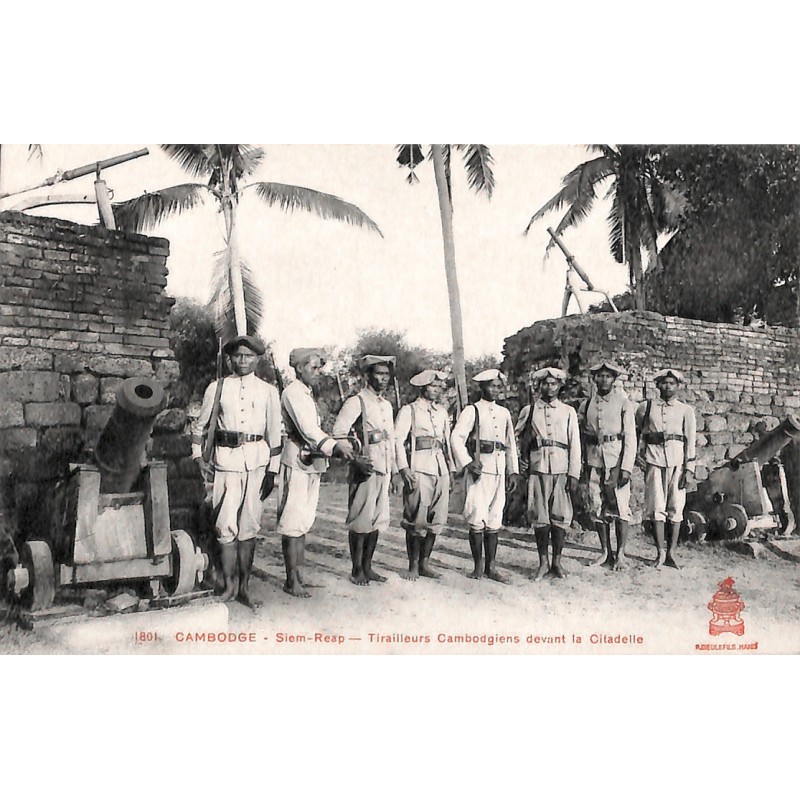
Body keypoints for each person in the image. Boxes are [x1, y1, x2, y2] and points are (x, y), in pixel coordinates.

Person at [191, 335, 282, 608]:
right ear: (230, 358)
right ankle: (229, 584)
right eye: (238, 356)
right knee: (224, 525)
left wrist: (272, 471)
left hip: (257, 463)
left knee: (249, 527)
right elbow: (200, 425)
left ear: (257, 358)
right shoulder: (217, 388)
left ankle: (245, 586)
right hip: (226, 462)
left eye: (249, 356)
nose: (243, 361)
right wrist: (197, 456)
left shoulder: (268, 391)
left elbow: (275, 433)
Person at [278, 347, 355, 597]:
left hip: (312, 461)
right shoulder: (293, 392)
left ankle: (298, 575)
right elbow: (309, 430)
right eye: (313, 367)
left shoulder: (307, 393)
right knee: (292, 521)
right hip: (296, 460)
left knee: (303, 521)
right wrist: (336, 447)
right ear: (299, 368)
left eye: (320, 368)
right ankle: (291, 580)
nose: (318, 372)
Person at [451, 369, 521, 582]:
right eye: (492, 386)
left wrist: (513, 471)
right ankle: (478, 566)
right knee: (476, 515)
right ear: (482, 388)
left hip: (499, 468)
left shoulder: (504, 413)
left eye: (499, 386)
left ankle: (491, 566)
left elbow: (510, 445)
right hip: (481, 470)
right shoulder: (472, 410)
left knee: (494, 517)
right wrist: (468, 462)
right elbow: (456, 438)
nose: (496, 390)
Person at [333, 355, 397, 586]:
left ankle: (368, 567)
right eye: (378, 373)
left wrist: (396, 468)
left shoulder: (386, 405)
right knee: (361, 517)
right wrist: (354, 458)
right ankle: (356, 569)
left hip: (384, 464)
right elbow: (339, 433)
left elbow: (393, 438)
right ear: (367, 375)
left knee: (377, 518)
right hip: (366, 464)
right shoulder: (356, 401)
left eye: (386, 375)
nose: (383, 378)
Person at [516, 367, 581, 581]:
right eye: (545, 383)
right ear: (539, 386)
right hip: (538, 468)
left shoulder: (568, 411)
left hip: (561, 467)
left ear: (560, 386)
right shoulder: (530, 410)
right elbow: (515, 438)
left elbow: (575, 444)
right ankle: (543, 562)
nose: (549, 387)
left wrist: (574, 474)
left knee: (560, 516)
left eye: (553, 383)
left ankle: (557, 562)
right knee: (540, 517)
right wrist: (521, 459)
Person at [394, 369, 453, 581]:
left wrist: (451, 470)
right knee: (416, 518)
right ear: (422, 387)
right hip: (419, 467)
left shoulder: (442, 412)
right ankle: (412, 566)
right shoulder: (409, 410)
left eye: (439, 387)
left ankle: (425, 563)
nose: (436, 391)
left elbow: (446, 443)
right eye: (432, 386)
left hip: (440, 468)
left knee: (436, 518)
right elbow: (398, 441)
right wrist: (403, 469)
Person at [636, 368, 696, 569]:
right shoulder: (646, 407)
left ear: (678, 386)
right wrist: (638, 455)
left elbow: (691, 441)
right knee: (656, 507)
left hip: (677, 463)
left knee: (676, 507)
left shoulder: (686, 410)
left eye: (672, 383)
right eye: (664, 383)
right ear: (658, 385)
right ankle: (660, 552)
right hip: (654, 461)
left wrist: (689, 469)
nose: (668, 386)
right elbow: (638, 433)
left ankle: (671, 552)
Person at [579, 361, 637, 571]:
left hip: (616, 460)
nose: (604, 380)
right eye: (600, 376)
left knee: (621, 506)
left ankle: (620, 554)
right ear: (594, 379)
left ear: (614, 379)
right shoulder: (587, 405)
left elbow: (630, 436)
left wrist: (626, 467)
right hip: (594, 461)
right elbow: (582, 435)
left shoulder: (623, 403)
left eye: (608, 376)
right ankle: (605, 552)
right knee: (596, 506)